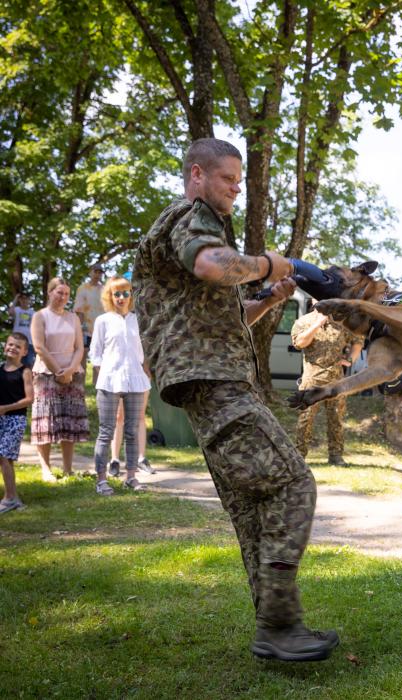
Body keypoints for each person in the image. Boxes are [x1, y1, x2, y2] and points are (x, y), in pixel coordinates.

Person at [133, 137, 339, 662]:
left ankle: (279, 629)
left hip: (208, 381)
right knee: (294, 483)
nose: (236, 188)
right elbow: (209, 264)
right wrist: (270, 264)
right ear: (197, 175)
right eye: (229, 178)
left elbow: (214, 316)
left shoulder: (196, 224)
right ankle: (277, 626)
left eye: (240, 180)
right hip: (214, 383)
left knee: (252, 508)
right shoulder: (189, 215)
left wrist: (265, 299)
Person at [90, 276, 151, 495]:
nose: (121, 298)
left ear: (131, 296)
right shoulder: (103, 321)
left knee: (132, 431)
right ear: (110, 296)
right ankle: (101, 480)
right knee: (106, 431)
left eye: (125, 293)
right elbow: (95, 354)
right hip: (109, 381)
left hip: (135, 380)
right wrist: (101, 376)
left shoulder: (138, 320)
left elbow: (143, 353)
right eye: (117, 293)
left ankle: (131, 477)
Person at [30, 277, 89, 480]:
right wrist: (58, 372)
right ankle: (46, 469)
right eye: (59, 292)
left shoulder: (73, 318)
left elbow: (80, 347)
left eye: (66, 294)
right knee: (45, 422)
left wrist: (70, 370)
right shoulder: (40, 316)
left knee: (69, 422)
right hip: (46, 374)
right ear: (50, 292)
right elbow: (39, 347)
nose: (63, 297)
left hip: (72, 374)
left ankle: (67, 468)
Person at [292, 309, 363, 466]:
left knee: (336, 419)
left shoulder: (341, 322)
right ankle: (299, 457)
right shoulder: (303, 322)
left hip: (336, 383)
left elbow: (358, 340)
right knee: (305, 419)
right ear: (313, 301)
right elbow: (299, 343)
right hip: (312, 381)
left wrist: (350, 359)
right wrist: (318, 323)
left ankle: (336, 456)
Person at [0, 333, 34, 513]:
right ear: (5, 346)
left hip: (15, 419)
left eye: (17, 346)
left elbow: (29, 399)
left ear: (24, 351)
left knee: (4, 456)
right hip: (1, 419)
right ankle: (13, 498)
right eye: (10, 344)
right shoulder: (0, 369)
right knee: (5, 460)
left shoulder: (25, 371)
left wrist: (6, 408)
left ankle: (10, 498)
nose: (12, 348)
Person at [74, 263, 104, 384]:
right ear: (90, 272)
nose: (97, 274)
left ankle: (97, 386)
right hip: (85, 329)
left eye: (100, 272)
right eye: (95, 271)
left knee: (99, 358)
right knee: (82, 356)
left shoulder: (105, 289)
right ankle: (81, 386)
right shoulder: (82, 288)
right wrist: (79, 328)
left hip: (101, 330)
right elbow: (79, 310)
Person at [8, 292, 36, 368]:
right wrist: (16, 298)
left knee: (29, 363)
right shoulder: (17, 310)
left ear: (29, 300)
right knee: (14, 363)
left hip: (29, 343)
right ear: (19, 300)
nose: (24, 300)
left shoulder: (33, 313)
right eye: (22, 299)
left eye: (26, 299)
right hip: (16, 342)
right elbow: (10, 312)